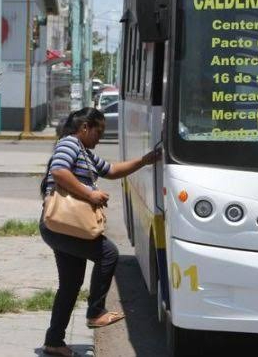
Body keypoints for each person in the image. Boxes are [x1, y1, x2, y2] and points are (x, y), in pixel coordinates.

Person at [40, 107, 160, 357]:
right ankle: (96, 312)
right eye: (99, 131)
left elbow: (112, 171)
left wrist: (145, 160)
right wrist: (90, 194)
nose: (100, 137)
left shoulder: (85, 152)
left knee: (71, 285)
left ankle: (54, 341)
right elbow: (59, 171)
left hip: (65, 227)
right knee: (108, 254)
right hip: (62, 226)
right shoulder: (69, 144)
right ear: (84, 128)